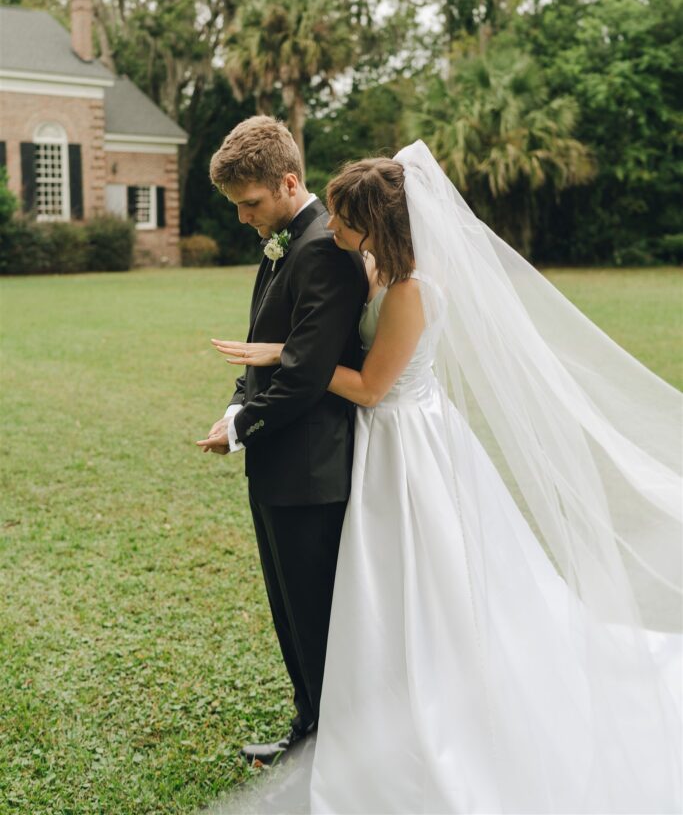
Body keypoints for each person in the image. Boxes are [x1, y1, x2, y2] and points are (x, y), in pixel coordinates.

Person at [213, 140, 682, 814]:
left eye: (346, 221)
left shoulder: (413, 289)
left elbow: (373, 389)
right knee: (389, 589)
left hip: (408, 443)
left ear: (380, 225)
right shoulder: (374, 267)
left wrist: (290, 356)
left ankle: (434, 717)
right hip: (383, 444)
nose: (336, 232)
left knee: (428, 584)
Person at [197, 116, 367, 766]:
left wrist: (243, 426)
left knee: (315, 619)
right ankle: (309, 727)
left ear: (288, 181)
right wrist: (234, 405)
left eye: (249, 204)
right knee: (289, 613)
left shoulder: (323, 247)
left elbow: (305, 374)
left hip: (311, 470)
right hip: (277, 463)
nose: (243, 218)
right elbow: (263, 347)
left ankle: (325, 745)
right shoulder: (283, 239)